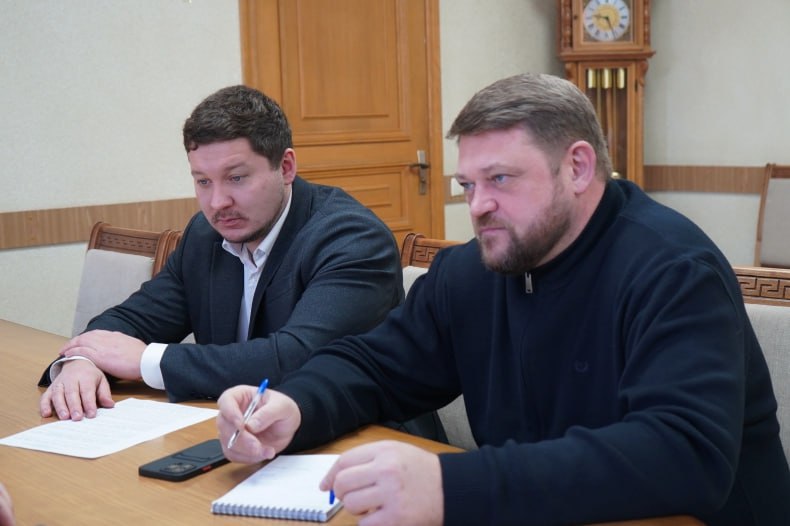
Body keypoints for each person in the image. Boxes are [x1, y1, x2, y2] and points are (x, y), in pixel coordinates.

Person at [216, 73, 790, 526]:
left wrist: (450, 486)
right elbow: (377, 366)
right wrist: (295, 405)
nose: (478, 205)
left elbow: (684, 455)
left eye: (501, 180)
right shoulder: (473, 270)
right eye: (468, 185)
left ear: (577, 167)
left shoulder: (673, 269)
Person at [36, 85, 415, 426]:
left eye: (236, 178)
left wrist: (148, 361)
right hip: (242, 429)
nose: (217, 202)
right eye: (203, 181)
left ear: (285, 167)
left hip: (365, 442)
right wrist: (83, 361)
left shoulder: (352, 238)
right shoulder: (205, 234)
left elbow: (297, 359)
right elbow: (132, 318)